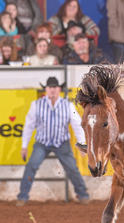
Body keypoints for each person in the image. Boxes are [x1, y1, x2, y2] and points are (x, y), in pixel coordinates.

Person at [17, 76, 89, 206]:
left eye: (55, 87)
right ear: (46, 89)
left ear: (59, 89)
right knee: (31, 166)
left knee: (72, 168)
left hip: (62, 142)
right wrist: (24, 145)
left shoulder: (67, 105)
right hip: (42, 143)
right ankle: (22, 196)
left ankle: (83, 195)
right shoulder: (36, 105)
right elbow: (28, 126)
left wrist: (82, 144)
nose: (52, 90)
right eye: (50, 87)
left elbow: (77, 125)